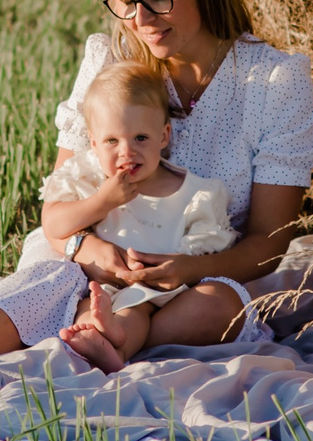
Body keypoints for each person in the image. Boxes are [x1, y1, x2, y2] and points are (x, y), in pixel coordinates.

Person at [0, 0, 313, 361]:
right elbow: (59, 205)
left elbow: (270, 241)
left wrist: (188, 269)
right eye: (124, 0)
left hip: (195, 276)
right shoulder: (107, 61)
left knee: (219, 307)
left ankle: (84, 336)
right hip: (84, 253)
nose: (140, 20)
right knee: (45, 282)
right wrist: (89, 248)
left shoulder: (275, 82)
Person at [39, 59, 234, 371]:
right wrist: (102, 202)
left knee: (136, 309)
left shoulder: (193, 193)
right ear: (93, 143)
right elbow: (53, 224)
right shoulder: (93, 182)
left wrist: (178, 266)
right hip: (99, 283)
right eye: (112, 141)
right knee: (87, 305)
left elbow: (207, 245)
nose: (126, 151)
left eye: (140, 138)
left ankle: (117, 346)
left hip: (154, 291)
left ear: (164, 137)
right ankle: (95, 333)